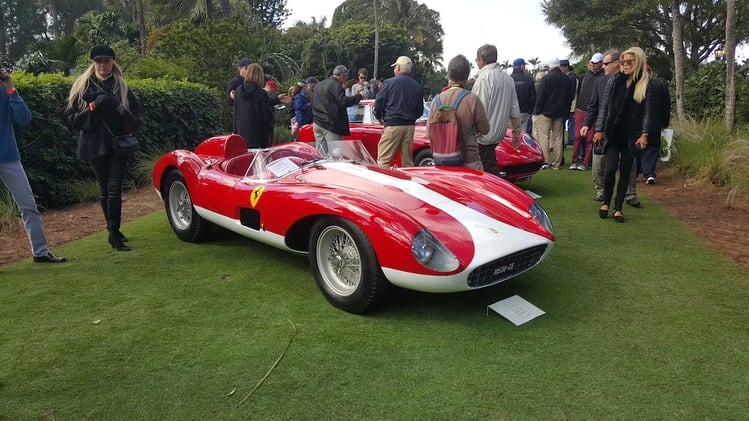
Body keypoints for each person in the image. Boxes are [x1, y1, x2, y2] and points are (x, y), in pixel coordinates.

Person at [66, 45, 141, 252]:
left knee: (114, 188)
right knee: (104, 188)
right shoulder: (82, 87)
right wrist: (94, 107)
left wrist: (116, 105)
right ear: (93, 63)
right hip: (94, 144)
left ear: (112, 62)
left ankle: (113, 233)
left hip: (118, 143)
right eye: (99, 61)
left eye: (106, 61)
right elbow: (73, 120)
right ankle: (113, 230)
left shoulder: (121, 86)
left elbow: (135, 119)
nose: (103, 65)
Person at [0, 67, 66, 263]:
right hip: (9, 156)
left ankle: (40, 252)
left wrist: (11, 89)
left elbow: (24, 119)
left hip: (9, 157)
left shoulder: (6, 90)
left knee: (28, 204)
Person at [592, 47, 651, 223]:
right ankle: (605, 202)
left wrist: (644, 134)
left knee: (625, 171)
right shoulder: (614, 81)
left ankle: (618, 207)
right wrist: (599, 129)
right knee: (610, 169)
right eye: (623, 62)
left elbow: (648, 112)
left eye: (628, 62)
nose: (624, 65)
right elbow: (604, 107)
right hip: (613, 133)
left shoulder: (645, 83)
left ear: (638, 62)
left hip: (632, 135)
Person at [426, 55, 489, 170]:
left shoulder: (437, 100)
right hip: (470, 161)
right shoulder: (472, 99)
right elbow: (485, 129)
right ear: (467, 75)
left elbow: (429, 133)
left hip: (443, 161)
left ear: (449, 74)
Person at [472, 44, 521, 176]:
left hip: (484, 134)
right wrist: (516, 133)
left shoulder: (484, 78)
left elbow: (478, 109)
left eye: (477, 60)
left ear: (481, 59)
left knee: (487, 171)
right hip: (498, 132)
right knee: (489, 164)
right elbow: (515, 109)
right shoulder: (508, 78)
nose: (476, 63)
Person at [373, 56, 424, 168]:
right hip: (409, 126)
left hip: (392, 125)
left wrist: (378, 116)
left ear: (399, 68)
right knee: (407, 163)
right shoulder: (417, 86)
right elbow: (420, 111)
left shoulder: (389, 83)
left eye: (395, 66)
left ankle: (383, 184)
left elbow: (379, 102)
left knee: (383, 162)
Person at [533, 57, 575, 170]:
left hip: (545, 112)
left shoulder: (547, 79)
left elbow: (541, 96)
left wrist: (537, 110)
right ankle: (557, 162)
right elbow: (569, 97)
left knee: (544, 137)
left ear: (550, 66)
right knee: (558, 137)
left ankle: (545, 161)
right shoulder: (566, 79)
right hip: (560, 112)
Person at [311, 65, 362, 150]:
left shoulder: (318, 85)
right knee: (335, 153)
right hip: (331, 124)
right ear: (343, 76)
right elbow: (343, 101)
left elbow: (312, 102)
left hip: (317, 122)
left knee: (321, 152)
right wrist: (358, 96)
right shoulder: (336, 85)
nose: (345, 80)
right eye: (346, 77)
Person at [570, 53, 604, 170]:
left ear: (601, 63)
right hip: (580, 110)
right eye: (592, 63)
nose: (594, 65)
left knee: (590, 138)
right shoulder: (584, 77)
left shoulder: (603, 77)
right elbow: (579, 94)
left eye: (596, 63)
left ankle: (585, 162)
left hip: (594, 112)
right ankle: (575, 160)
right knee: (577, 137)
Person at [233, 63, 275, 148]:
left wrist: (235, 132)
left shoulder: (238, 91)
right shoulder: (261, 93)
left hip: (242, 136)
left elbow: (235, 113)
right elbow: (266, 116)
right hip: (258, 137)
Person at [641, 65, 671, 184]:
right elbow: (666, 105)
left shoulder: (638, 86)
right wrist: (665, 122)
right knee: (653, 147)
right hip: (656, 122)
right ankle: (649, 173)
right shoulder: (661, 85)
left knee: (640, 147)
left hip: (641, 122)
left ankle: (639, 170)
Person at [510, 58, 536, 134]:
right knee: (523, 134)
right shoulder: (528, 79)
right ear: (521, 66)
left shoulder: (508, 79)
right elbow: (532, 96)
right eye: (524, 65)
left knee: (511, 133)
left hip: (511, 111)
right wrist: (530, 110)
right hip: (524, 111)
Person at [560, 59, 577, 148]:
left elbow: (571, 92)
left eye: (562, 67)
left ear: (566, 67)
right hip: (567, 104)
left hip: (570, 104)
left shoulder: (571, 77)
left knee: (570, 123)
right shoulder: (567, 77)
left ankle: (570, 139)